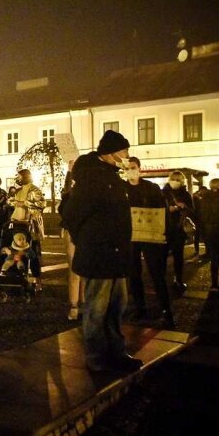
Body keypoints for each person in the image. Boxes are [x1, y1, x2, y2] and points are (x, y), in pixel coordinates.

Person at [61, 130, 142, 373]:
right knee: (97, 308)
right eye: (124, 151)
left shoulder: (113, 176)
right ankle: (96, 357)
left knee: (117, 306)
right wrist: (87, 240)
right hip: (99, 254)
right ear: (111, 153)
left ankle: (117, 352)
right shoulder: (92, 178)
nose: (127, 155)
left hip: (117, 254)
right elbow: (72, 214)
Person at [125, 157, 174, 327]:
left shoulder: (151, 188)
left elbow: (162, 210)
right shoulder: (122, 189)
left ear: (139, 169)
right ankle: (140, 308)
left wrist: (164, 233)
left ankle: (166, 310)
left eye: (133, 167)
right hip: (131, 237)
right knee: (134, 274)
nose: (130, 171)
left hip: (151, 236)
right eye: (127, 168)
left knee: (156, 273)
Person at [10, 169, 45, 288]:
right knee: (18, 251)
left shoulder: (35, 190)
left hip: (30, 225)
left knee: (32, 252)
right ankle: (21, 275)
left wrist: (25, 203)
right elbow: (12, 202)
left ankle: (37, 278)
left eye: (19, 176)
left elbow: (42, 204)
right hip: (17, 223)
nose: (17, 179)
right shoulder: (18, 191)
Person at [59, 160, 84, 321]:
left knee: (86, 271)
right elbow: (66, 192)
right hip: (73, 234)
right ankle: (74, 305)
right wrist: (69, 172)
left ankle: (85, 303)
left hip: (86, 234)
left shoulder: (90, 192)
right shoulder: (70, 194)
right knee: (75, 271)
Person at [161, 170, 194, 292]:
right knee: (162, 256)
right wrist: (167, 209)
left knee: (178, 257)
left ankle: (179, 280)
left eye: (178, 179)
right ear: (169, 179)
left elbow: (192, 212)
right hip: (163, 229)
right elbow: (155, 209)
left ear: (182, 181)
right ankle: (161, 280)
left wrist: (184, 207)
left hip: (179, 229)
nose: (175, 181)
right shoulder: (162, 193)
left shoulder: (186, 195)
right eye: (173, 178)